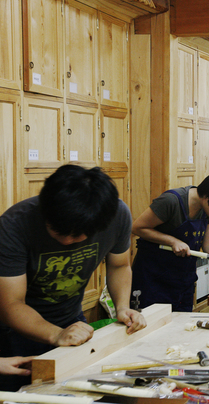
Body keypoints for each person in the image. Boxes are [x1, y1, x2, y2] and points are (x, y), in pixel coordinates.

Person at [0, 165, 146, 391]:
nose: (67, 241)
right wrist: (56, 334)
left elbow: (119, 265)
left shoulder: (115, 215)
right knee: (23, 394)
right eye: (58, 232)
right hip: (16, 330)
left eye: (77, 236)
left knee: (76, 390)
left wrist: (122, 307)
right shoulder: (14, 225)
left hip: (72, 320)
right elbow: (11, 304)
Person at [131, 171, 209, 312]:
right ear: (207, 197)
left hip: (183, 280)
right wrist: (172, 241)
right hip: (153, 279)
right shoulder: (171, 201)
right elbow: (137, 227)